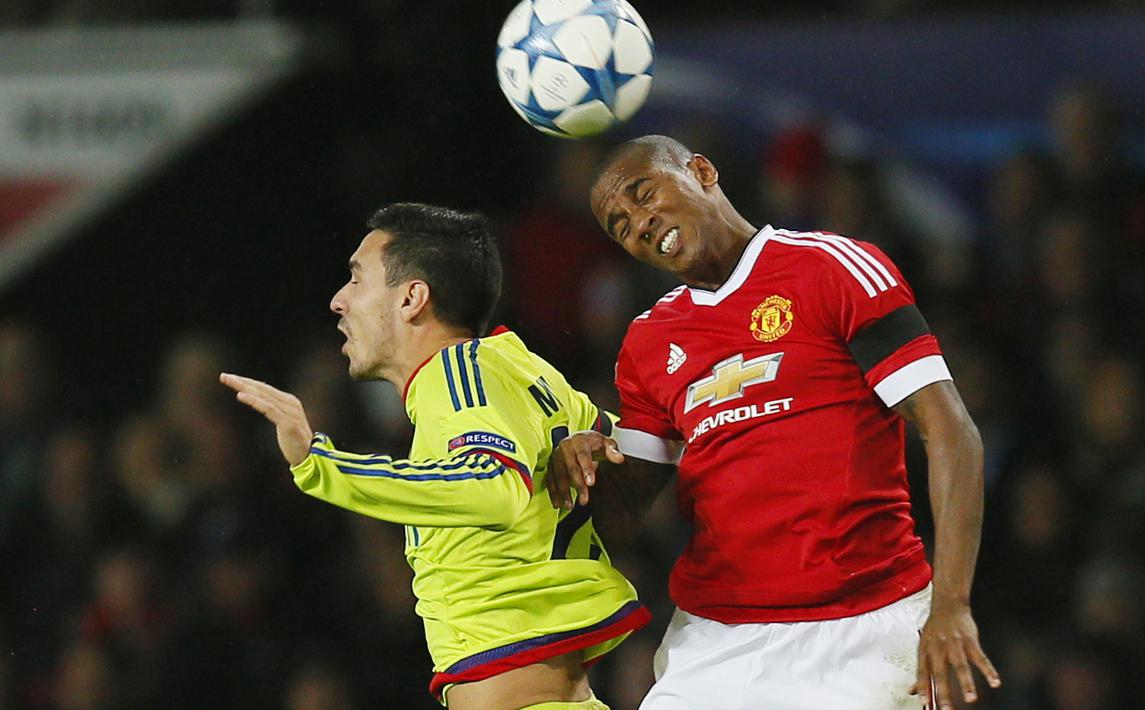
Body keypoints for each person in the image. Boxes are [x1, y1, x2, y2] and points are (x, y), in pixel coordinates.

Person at [548, 136, 1000, 709]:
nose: (639, 223)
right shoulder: (647, 341)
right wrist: (585, 462)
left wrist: (952, 605)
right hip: (718, 639)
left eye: (645, 194)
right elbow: (626, 506)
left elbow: (951, 430)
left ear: (702, 171)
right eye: (619, 225)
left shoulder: (830, 267)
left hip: (866, 624)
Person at [220, 203, 649, 710]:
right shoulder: (520, 368)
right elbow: (644, 461)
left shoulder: (456, 374)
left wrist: (319, 464)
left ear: (412, 298)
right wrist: (603, 444)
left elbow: (492, 486)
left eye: (356, 280)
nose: (338, 301)